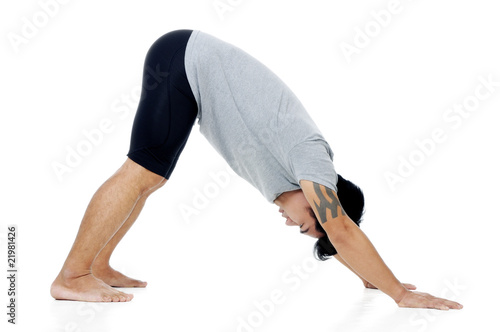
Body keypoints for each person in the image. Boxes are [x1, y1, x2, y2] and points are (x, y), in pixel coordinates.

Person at [50, 29, 463, 310]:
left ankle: (98, 265)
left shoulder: (290, 177)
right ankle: (73, 275)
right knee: (142, 171)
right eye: (304, 225)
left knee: (151, 177)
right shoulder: (312, 157)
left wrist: (368, 277)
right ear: (323, 198)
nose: (290, 225)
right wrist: (399, 294)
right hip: (183, 59)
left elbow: (336, 234)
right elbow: (340, 228)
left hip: (186, 67)